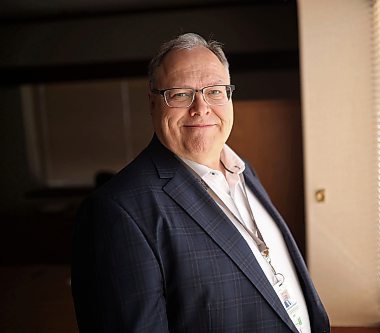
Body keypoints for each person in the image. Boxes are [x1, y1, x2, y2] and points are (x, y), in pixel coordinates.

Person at [71, 32, 330, 333]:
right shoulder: (116, 212)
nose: (201, 107)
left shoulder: (244, 171)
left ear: (230, 96)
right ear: (153, 103)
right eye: (180, 93)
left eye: (215, 91)